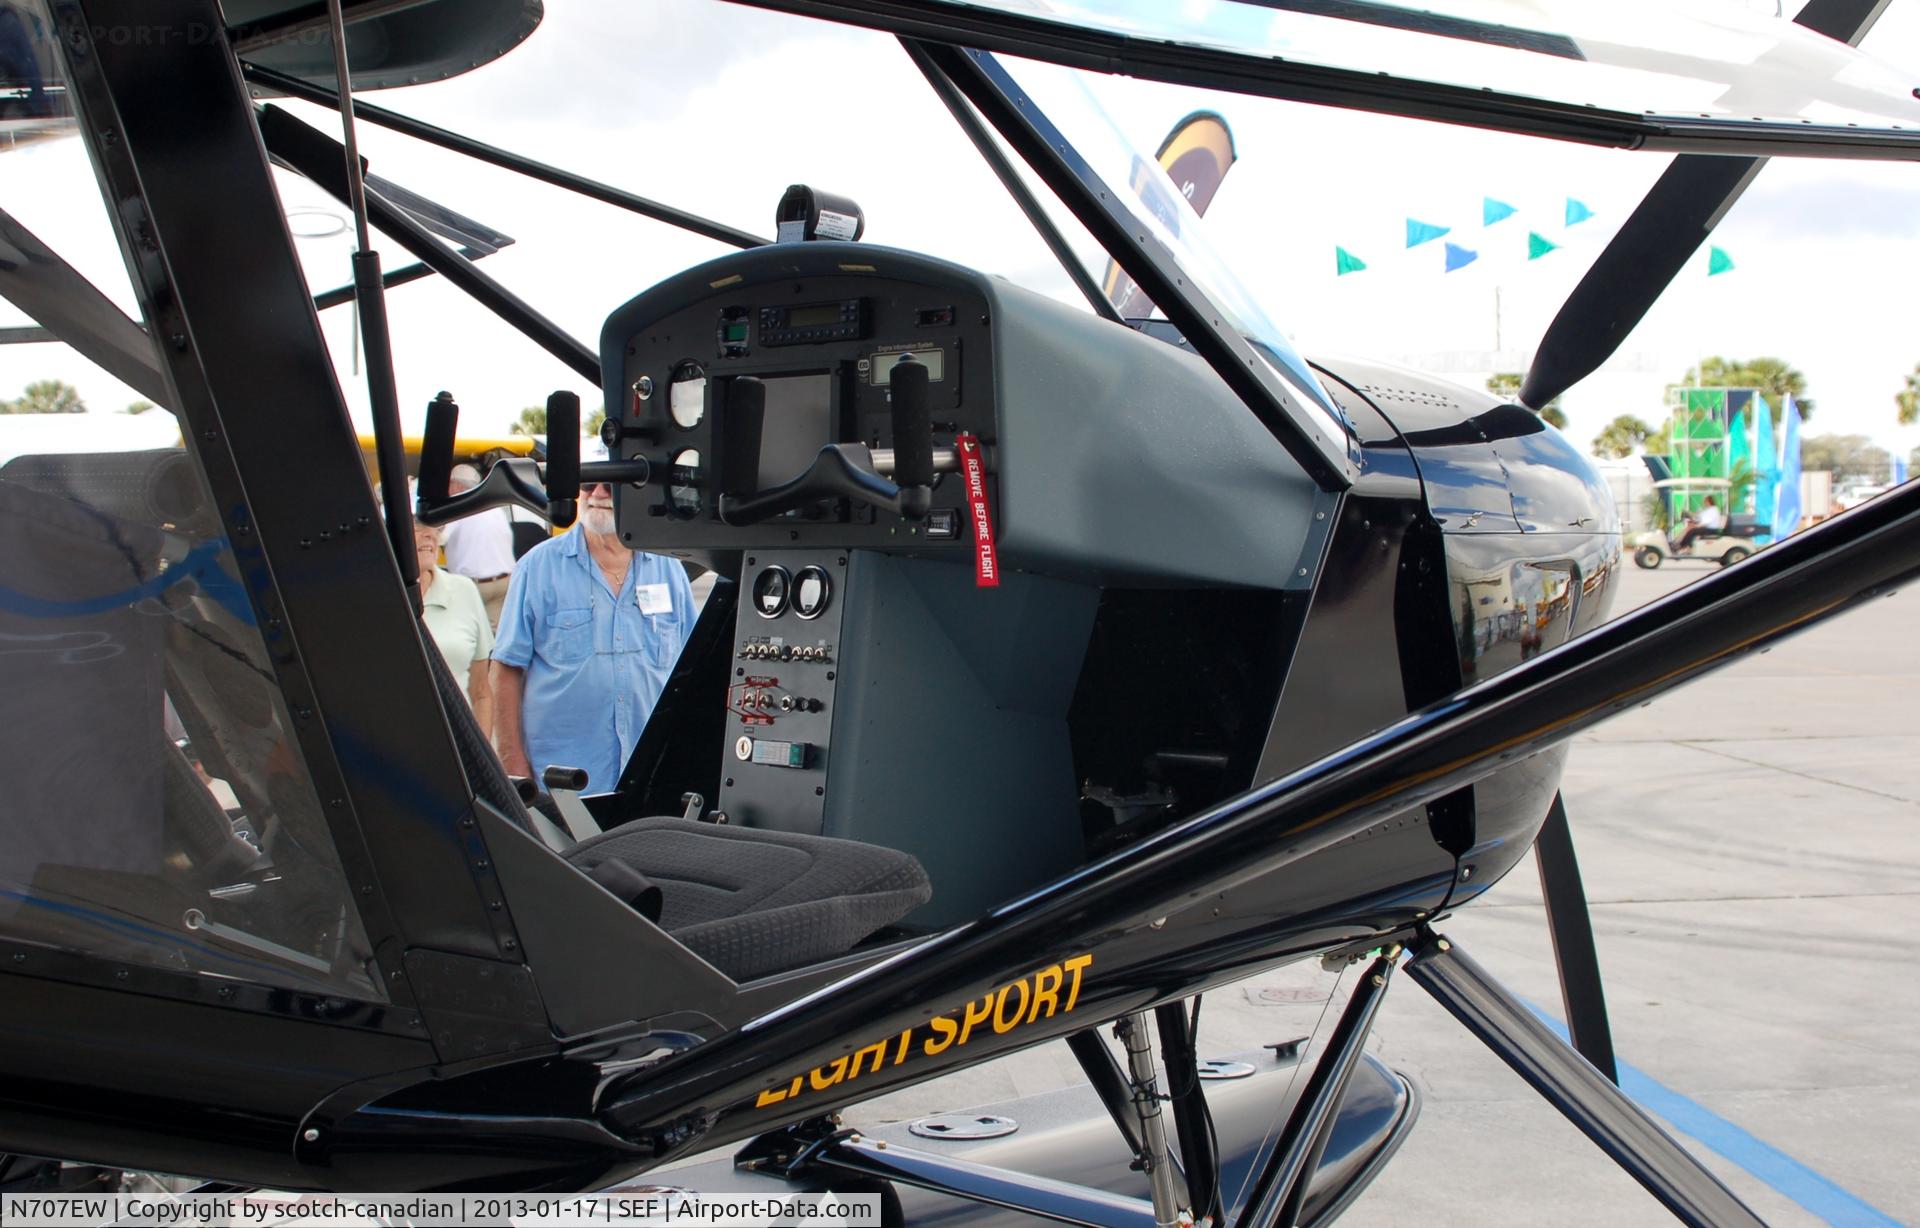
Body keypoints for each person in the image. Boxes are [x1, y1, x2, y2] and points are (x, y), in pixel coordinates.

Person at [490, 481, 695, 790]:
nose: (598, 494)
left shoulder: (668, 569)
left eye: (611, 486)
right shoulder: (537, 567)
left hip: (650, 777)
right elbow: (505, 669)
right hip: (563, 782)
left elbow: (693, 668)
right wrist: (513, 767)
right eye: (587, 484)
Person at [414, 521, 494, 732]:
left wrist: (481, 757)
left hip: (459, 746)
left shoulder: (463, 589)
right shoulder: (372, 598)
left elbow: (482, 692)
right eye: (416, 525)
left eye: (434, 526)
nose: (430, 534)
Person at [439, 463, 517, 629]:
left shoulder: (457, 506)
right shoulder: (492, 506)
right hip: (504, 582)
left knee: (466, 629)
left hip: (475, 586)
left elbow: (439, 538)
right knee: (495, 634)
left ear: (457, 485)